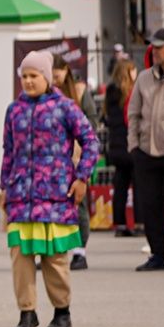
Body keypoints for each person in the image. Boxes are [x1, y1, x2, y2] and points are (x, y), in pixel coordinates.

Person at [3, 50, 99, 327]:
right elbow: (8, 152)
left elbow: (91, 142)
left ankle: (62, 311)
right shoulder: (14, 110)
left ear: (46, 77)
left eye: (34, 76)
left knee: (54, 258)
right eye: (24, 76)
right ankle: (27, 311)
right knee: (20, 255)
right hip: (21, 194)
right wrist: (5, 186)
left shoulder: (65, 107)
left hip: (55, 195)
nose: (29, 81)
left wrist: (82, 177)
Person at [128, 28, 164, 272]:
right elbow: (133, 114)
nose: (155, 50)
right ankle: (157, 254)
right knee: (150, 206)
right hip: (145, 151)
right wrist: (133, 146)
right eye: (154, 46)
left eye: (160, 46)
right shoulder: (143, 78)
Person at [51, 55, 98, 269]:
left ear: (65, 70)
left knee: (78, 204)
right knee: (51, 205)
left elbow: (92, 124)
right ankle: (51, 249)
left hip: (77, 155)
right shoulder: (44, 95)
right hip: (53, 160)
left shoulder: (79, 91)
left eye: (57, 72)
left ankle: (80, 251)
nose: (54, 77)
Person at [104, 57, 139, 236]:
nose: (136, 73)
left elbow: (107, 119)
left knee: (120, 186)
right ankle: (140, 222)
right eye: (133, 70)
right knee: (139, 184)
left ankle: (120, 224)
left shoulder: (110, 93)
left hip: (115, 146)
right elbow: (130, 119)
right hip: (129, 144)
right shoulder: (130, 93)